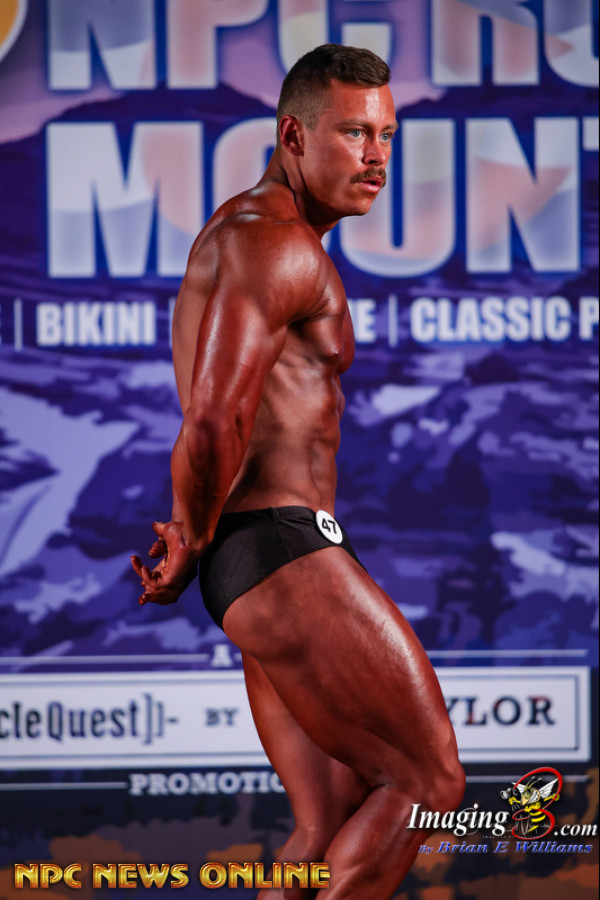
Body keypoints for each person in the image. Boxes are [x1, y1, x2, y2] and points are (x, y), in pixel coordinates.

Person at [132, 44, 464, 900]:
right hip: (279, 549)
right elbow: (215, 416)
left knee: (326, 822)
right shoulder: (273, 242)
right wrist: (191, 535)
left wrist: (201, 541)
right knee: (428, 783)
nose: (377, 156)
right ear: (293, 136)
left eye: (387, 135)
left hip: (259, 557)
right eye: (354, 133)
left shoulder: (260, 237)